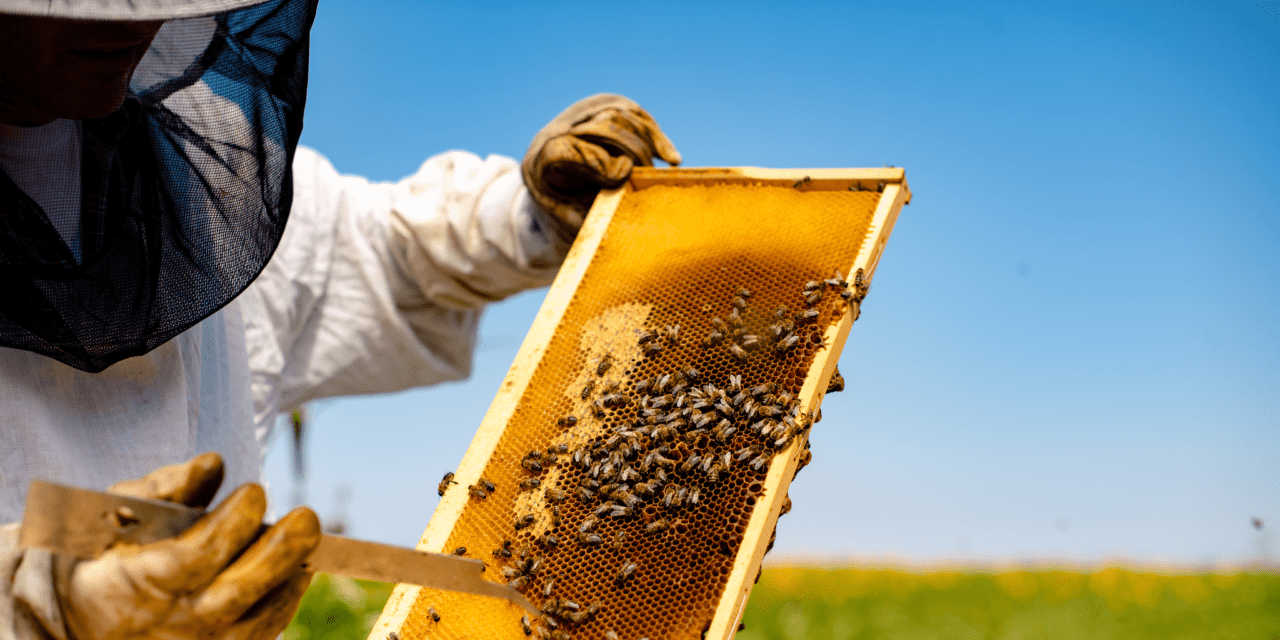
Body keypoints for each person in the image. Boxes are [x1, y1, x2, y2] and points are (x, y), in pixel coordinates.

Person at [0, 0, 681, 638]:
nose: (131, 19)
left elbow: (383, 254)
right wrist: (38, 605)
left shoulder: (209, 168)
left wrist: (533, 212)